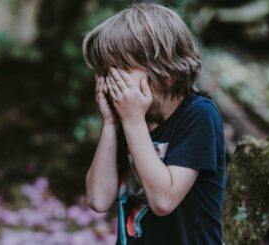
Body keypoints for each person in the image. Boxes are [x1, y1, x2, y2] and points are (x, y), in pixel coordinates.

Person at [82, 3, 226, 245]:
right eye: (106, 71)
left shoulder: (199, 115)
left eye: (121, 69)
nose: (112, 81)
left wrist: (132, 120)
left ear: (165, 69)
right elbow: (98, 199)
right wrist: (110, 124)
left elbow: (162, 201)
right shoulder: (129, 119)